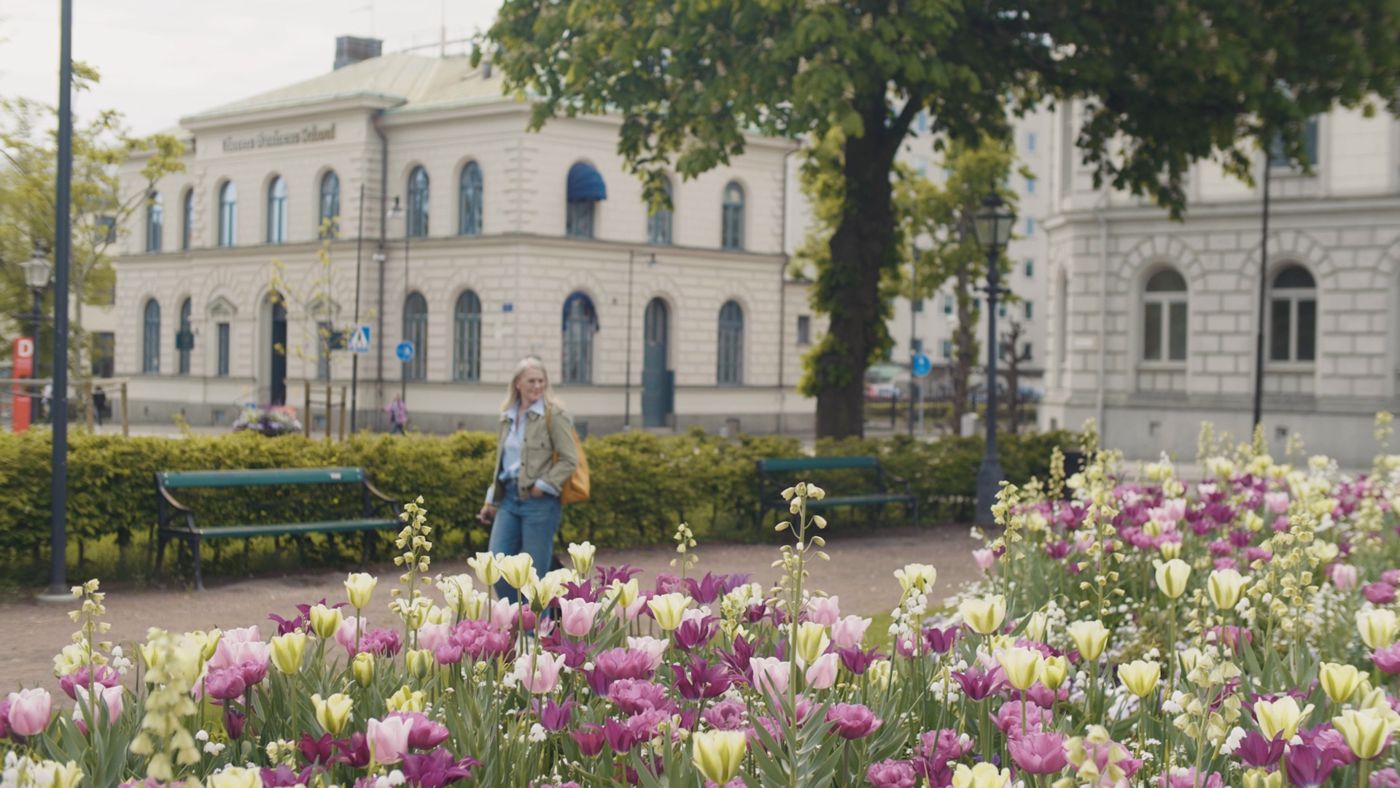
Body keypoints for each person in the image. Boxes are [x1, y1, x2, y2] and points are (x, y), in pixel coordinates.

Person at [476, 357, 578, 602]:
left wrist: (542, 487)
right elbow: (502, 463)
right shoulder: (507, 416)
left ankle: (533, 632)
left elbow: (569, 460)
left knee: (535, 576)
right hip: (508, 500)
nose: (537, 386)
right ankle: (517, 620)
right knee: (496, 565)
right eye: (531, 380)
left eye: (541, 381)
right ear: (518, 383)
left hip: (540, 504)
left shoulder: (554, 415)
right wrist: (491, 500)